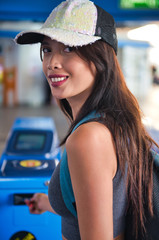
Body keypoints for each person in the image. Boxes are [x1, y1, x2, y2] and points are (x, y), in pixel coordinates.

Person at [15, 0, 159, 239]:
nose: (52, 63)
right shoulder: (116, 122)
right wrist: (47, 201)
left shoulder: (87, 138)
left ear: (100, 59)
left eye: (69, 49)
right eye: (47, 49)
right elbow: (106, 210)